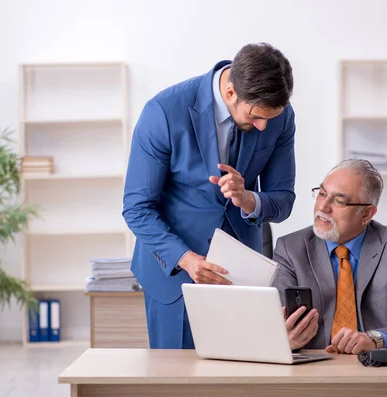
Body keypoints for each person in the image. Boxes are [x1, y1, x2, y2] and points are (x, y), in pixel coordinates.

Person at [122, 43, 297, 349]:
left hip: (242, 277)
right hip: (174, 273)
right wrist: (186, 259)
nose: (264, 126)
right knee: (177, 387)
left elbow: (283, 200)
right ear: (230, 93)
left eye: (271, 117)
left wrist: (248, 199)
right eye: (256, 117)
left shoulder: (277, 116)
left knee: (241, 385)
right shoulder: (163, 112)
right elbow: (137, 208)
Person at [271, 159, 387, 354]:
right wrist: (285, 340)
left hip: (379, 371)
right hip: (314, 372)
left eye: (339, 201)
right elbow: (272, 322)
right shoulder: (290, 249)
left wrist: (375, 339)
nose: (323, 207)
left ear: (366, 214)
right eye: (321, 194)